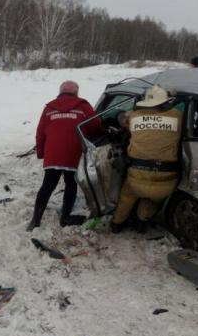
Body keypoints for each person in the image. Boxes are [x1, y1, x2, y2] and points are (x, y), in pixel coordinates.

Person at [27, 80, 102, 231]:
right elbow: (96, 126)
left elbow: (40, 132)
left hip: (53, 153)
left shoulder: (49, 108)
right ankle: (65, 218)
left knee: (47, 186)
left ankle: (35, 220)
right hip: (73, 153)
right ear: (76, 92)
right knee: (71, 184)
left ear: (60, 92)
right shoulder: (83, 106)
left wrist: (41, 153)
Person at [111, 84, 183, 233]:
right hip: (167, 179)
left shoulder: (134, 117)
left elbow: (122, 119)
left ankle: (117, 223)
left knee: (127, 197)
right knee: (153, 199)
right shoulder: (177, 115)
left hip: (137, 175)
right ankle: (141, 220)